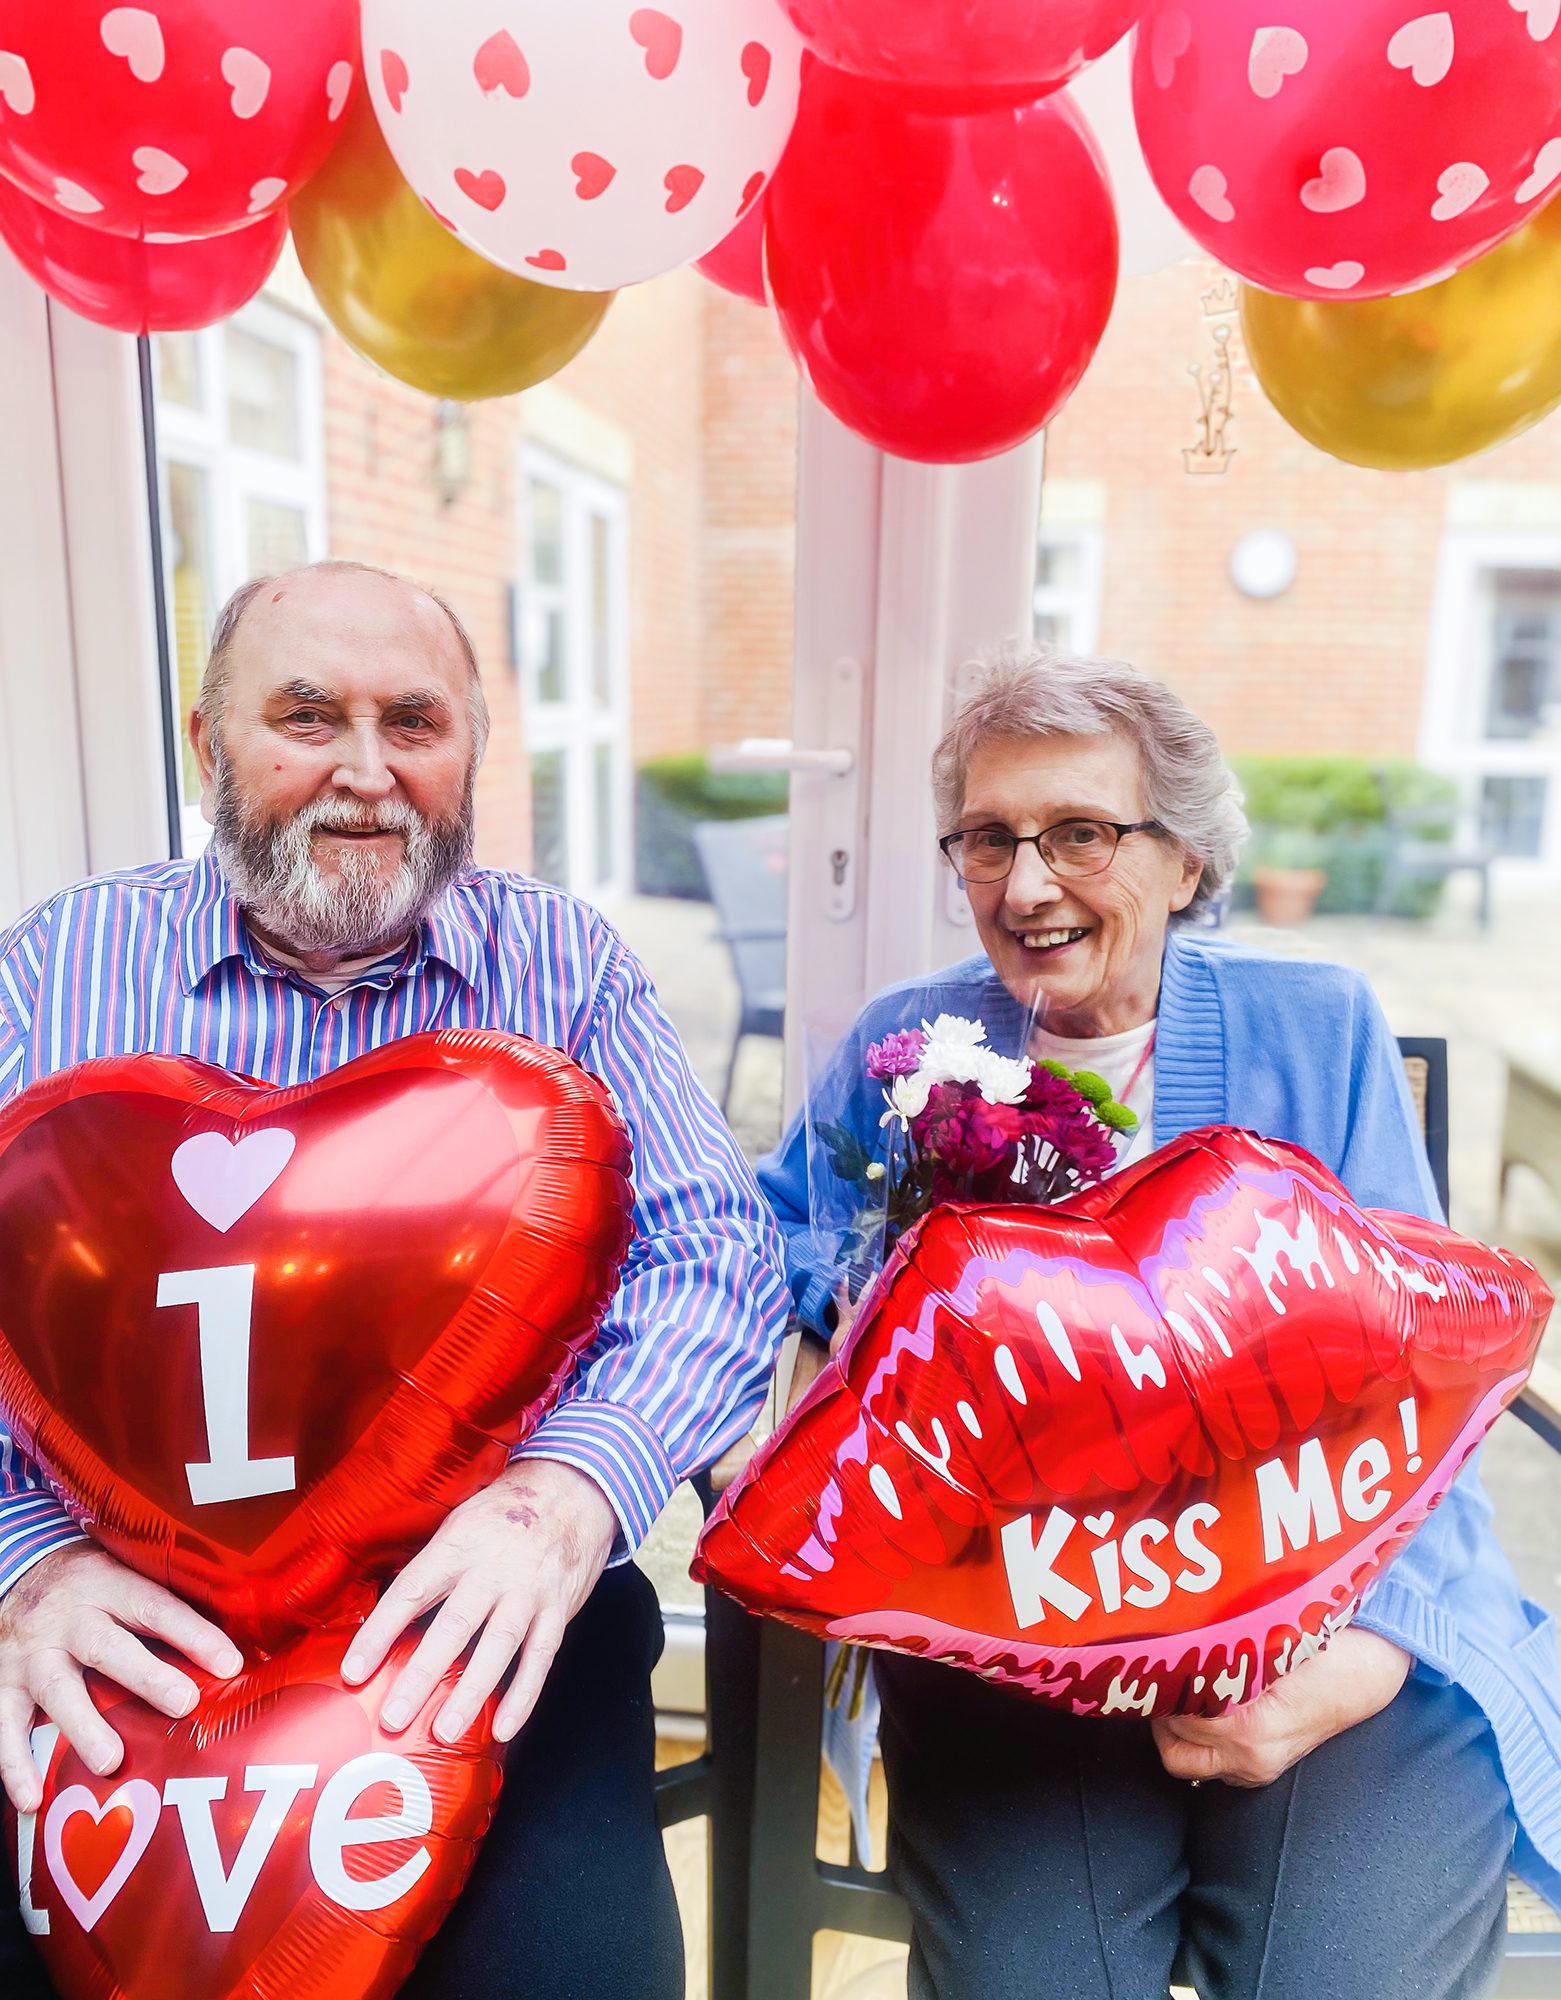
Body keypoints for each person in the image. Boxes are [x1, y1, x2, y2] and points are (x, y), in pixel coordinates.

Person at [0, 560, 790, 1999]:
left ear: (471, 750)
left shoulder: (562, 965)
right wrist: (23, 1561)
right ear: (206, 744)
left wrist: (567, 1494)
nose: (366, 774)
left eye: (414, 722)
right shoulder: (54, 971)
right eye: (308, 716)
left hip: (477, 1605)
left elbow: (713, 1260)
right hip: (115, 1617)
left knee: (578, 1976)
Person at [759, 645, 1561, 2000]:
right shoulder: (903, 1047)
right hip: (1022, 1633)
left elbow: (1425, 1374)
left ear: (1183, 860)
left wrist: (1360, 1660)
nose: (1025, 886)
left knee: (1336, 1977)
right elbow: (773, 1256)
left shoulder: (1313, 1024)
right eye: (986, 840)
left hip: (1327, 1608)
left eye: (1079, 833)